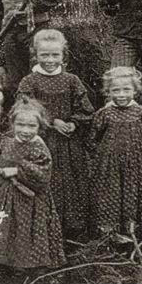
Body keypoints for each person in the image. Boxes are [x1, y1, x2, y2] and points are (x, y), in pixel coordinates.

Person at [0, 96, 66, 273]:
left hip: (27, 199)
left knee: (21, 227)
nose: (25, 130)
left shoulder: (39, 147)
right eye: (21, 125)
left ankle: (23, 262)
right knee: (0, 222)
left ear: (40, 126)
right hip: (0, 193)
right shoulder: (6, 140)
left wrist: (16, 170)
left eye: (31, 126)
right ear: (13, 123)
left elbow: (42, 173)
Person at [16, 29, 94, 238]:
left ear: (63, 55)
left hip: (70, 146)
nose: (50, 60)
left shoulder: (71, 80)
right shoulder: (29, 82)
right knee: (46, 181)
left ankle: (73, 230)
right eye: (44, 55)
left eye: (55, 55)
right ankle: (44, 229)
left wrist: (74, 124)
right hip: (41, 142)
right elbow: (23, 112)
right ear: (36, 55)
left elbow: (86, 109)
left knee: (73, 184)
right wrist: (51, 122)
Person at [91, 66, 142, 241]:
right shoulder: (104, 113)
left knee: (134, 195)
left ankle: (136, 235)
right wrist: (105, 154)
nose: (121, 94)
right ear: (108, 92)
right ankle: (111, 235)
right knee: (111, 195)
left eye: (126, 89)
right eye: (115, 90)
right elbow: (92, 137)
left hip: (137, 164)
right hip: (110, 166)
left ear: (135, 90)